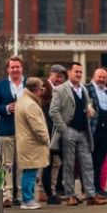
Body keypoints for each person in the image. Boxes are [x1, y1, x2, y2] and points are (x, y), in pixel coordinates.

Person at [50, 61, 105, 206]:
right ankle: (70, 195)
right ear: (69, 72)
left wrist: (90, 110)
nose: (79, 74)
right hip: (69, 130)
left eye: (81, 72)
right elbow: (53, 111)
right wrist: (63, 129)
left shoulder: (83, 90)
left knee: (87, 164)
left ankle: (90, 195)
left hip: (83, 132)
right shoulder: (60, 90)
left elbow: (87, 105)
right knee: (68, 164)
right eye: (76, 72)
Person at [13, 78, 51, 210]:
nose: (43, 90)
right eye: (41, 88)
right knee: (30, 172)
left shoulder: (23, 101)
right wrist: (46, 139)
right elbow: (38, 127)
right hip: (32, 144)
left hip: (27, 142)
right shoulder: (30, 104)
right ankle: (27, 199)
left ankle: (27, 198)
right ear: (36, 89)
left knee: (29, 171)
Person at [0, 56, 27, 207]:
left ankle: (20, 194)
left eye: (17, 67)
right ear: (8, 69)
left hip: (25, 132)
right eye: (12, 67)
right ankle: (6, 195)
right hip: (6, 129)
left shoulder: (28, 84)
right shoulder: (0, 85)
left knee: (22, 164)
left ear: (22, 68)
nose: (15, 70)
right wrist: (8, 108)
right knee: (6, 164)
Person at [88, 67, 107, 198]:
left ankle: (99, 188)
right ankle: (90, 190)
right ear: (94, 77)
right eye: (99, 76)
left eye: (104, 77)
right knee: (90, 162)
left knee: (100, 161)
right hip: (92, 131)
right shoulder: (87, 89)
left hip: (105, 132)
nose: (101, 79)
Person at [41, 64, 66, 204]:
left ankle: (56, 189)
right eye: (57, 76)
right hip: (48, 130)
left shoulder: (60, 89)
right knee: (48, 164)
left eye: (61, 76)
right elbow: (45, 107)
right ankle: (49, 193)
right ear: (51, 74)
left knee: (58, 162)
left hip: (57, 130)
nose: (59, 79)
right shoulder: (45, 87)